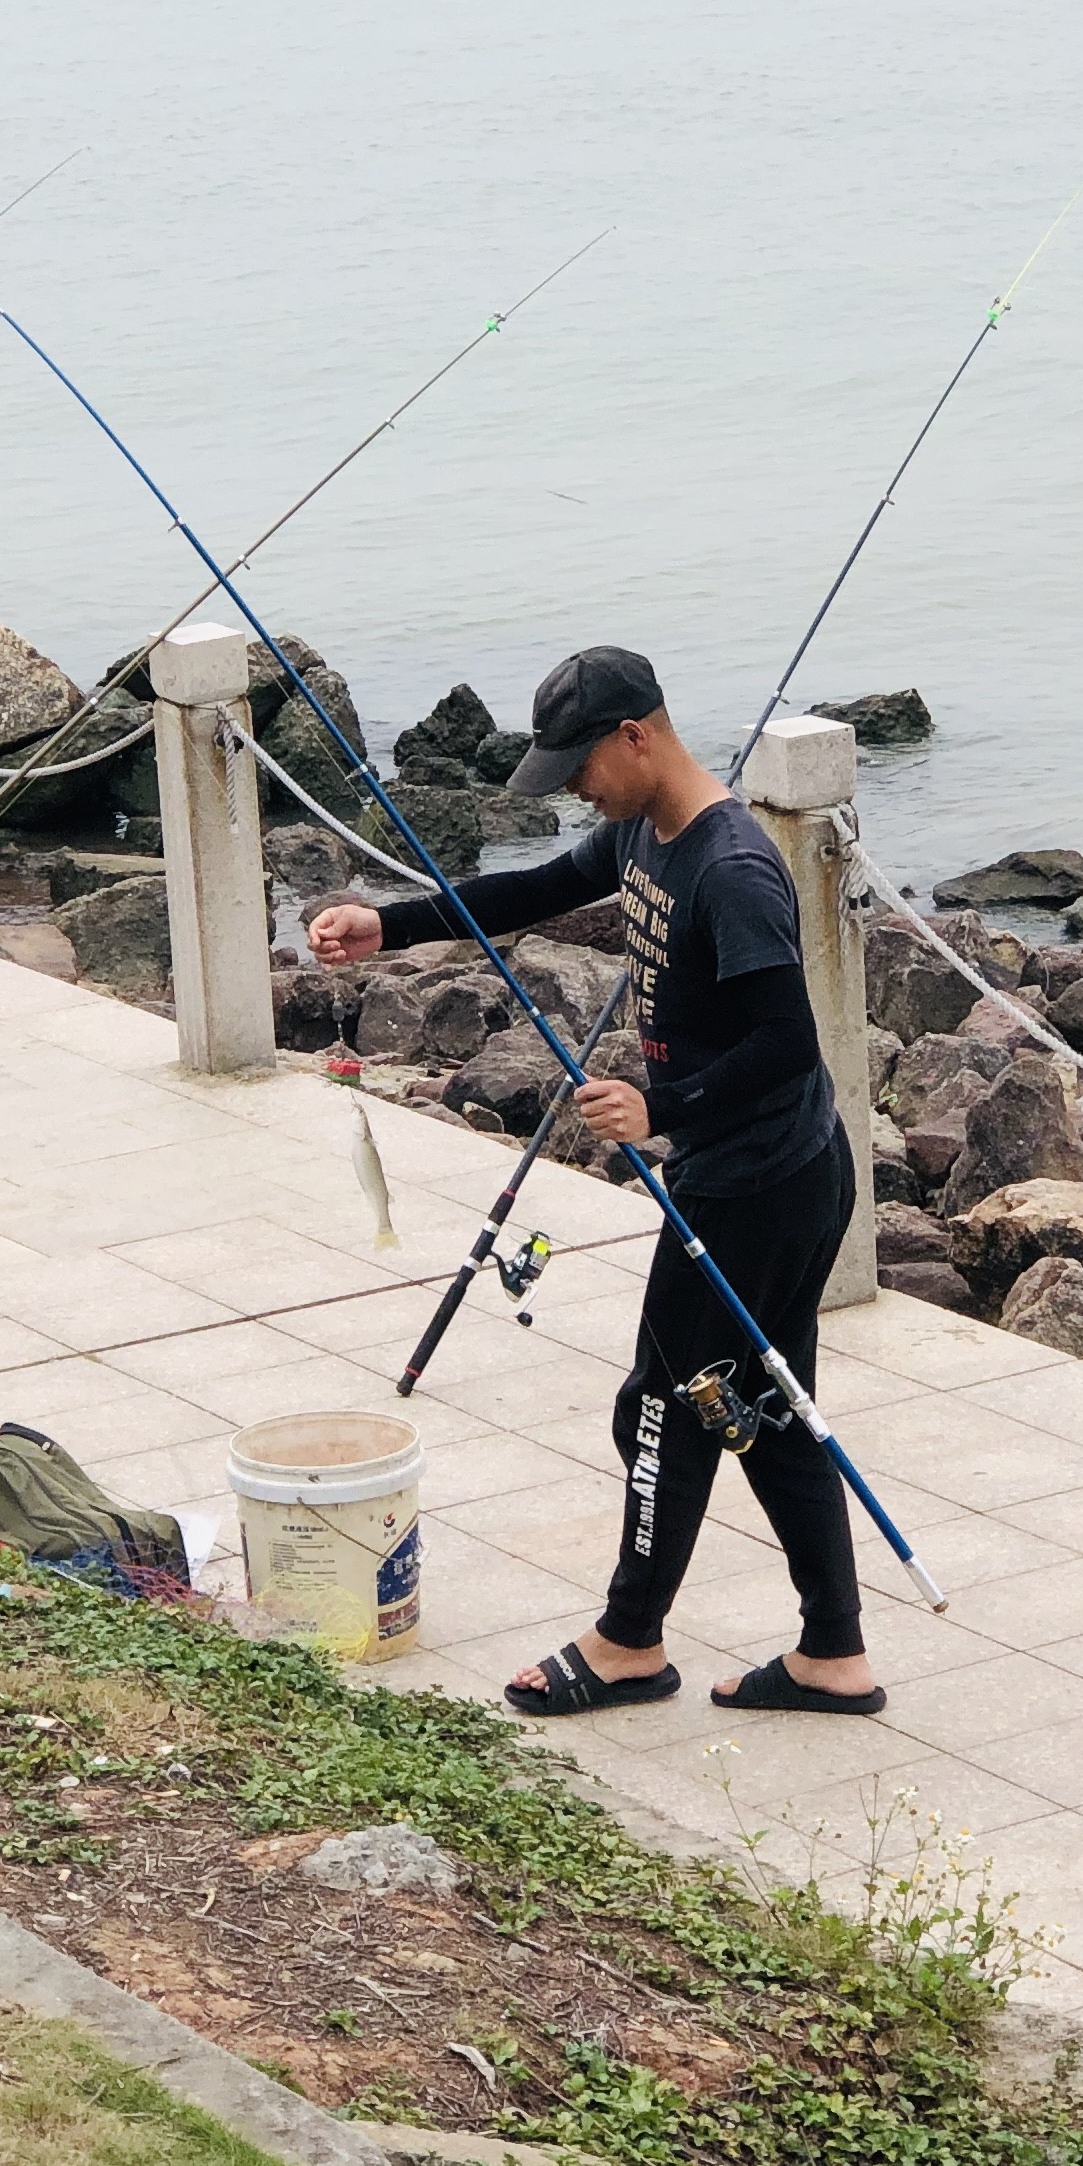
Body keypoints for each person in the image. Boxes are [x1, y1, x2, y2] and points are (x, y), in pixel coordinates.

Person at [309, 645, 877, 1720]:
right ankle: (833, 1654)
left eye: (581, 766)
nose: (574, 788)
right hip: (762, 1171)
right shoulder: (642, 832)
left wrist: (663, 1108)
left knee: (663, 1407)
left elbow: (789, 1045)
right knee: (765, 1406)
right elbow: (534, 889)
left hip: (762, 1184)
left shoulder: (733, 870)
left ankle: (628, 1642)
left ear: (636, 735)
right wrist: (392, 922)